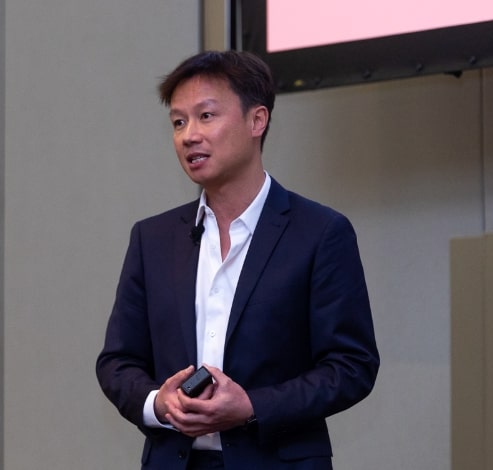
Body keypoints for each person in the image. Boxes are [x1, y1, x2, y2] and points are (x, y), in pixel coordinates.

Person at [95, 50, 379, 470]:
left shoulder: (319, 233)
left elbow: (352, 366)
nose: (189, 135)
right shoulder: (151, 239)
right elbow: (118, 362)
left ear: (256, 121)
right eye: (178, 122)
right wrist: (160, 403)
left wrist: (251, 405)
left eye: (206, 116)